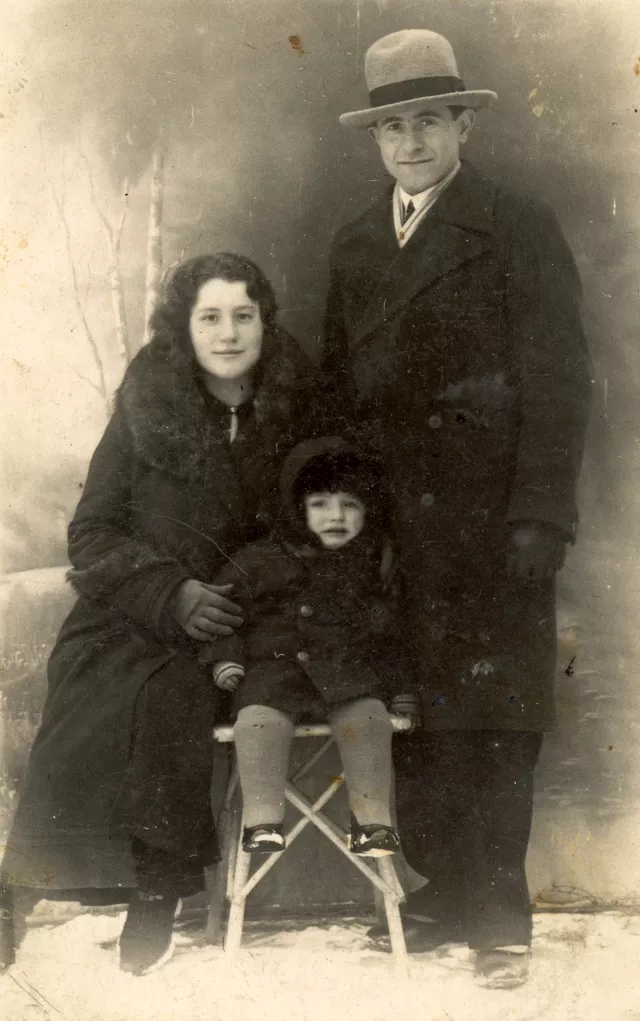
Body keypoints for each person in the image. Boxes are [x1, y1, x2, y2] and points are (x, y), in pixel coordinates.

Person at [323, 30, 592, 988]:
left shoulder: (516, 223)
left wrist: (540, 515)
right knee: (420, 713)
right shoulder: (358, 243)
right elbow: (335, 397)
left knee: (497, 711)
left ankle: (502, 915)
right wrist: (342, 512)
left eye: (428, 121)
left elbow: (560, 383)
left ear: (462, 124)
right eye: (392, 125)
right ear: (376, 138)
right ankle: (441, 892)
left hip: (492, 520)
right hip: (394, 525)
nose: (409, 142)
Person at [1, 252, 332, 976]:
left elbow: (314, 526)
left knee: (179, 696)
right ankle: (17, 892)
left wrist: (228, 589)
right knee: (91, 698)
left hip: (238, 616)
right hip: (133, 607)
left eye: (243, 315)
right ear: (184, 327)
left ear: (265, 323)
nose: (227, 332)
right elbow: (90, 532)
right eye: (209, 316)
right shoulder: (146, 404)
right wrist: (168, 593)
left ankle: (157, 890)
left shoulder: (298, 407)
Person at [201, 436, 420, 858]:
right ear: (297, 508)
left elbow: (391, 632)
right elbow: (221, 610)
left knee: (370, 719)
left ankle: (372, 822)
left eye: (351, 504)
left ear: (369, 509)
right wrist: (224, 658)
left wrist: (400, 687)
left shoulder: (372, 563)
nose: (336, 516)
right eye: (320, 503)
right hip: (271, 678)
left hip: (347, 677)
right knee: (258, 722)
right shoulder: (258, 559)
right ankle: (262, 819)